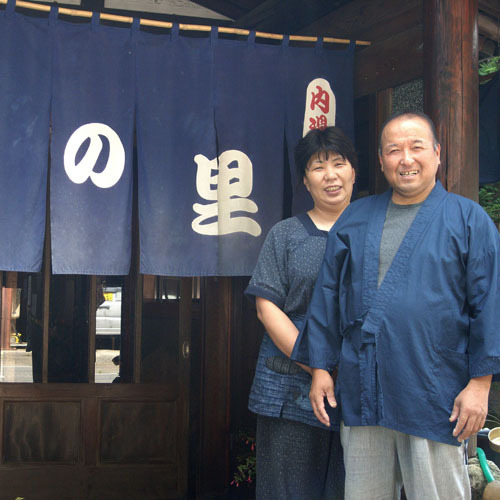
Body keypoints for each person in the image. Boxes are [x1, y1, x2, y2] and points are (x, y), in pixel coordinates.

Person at [292, 111, 500, 500]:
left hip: (435, 388)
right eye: (394, 150)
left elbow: (489, 304)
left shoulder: (468, 218)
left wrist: (480, 383)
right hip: (363, 384)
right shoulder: (356, 217)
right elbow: (327, 297)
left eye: (416, 147)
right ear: (381, 159)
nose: (406, 158)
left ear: (437, 154)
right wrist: (320, 368)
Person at [245, 126, 357, 500]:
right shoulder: (285, 234)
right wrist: (319, 367)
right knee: (287, 490)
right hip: (288, 383)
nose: (330, 175)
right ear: (305, 181)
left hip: (358, 386)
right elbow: (267, 308)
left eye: (339, 164)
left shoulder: (375, 231)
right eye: (317, 167)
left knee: (351, 487)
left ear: (354, 171)